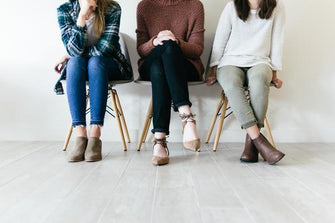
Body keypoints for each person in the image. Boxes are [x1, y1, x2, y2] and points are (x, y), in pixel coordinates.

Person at [206, 0, 286, 165]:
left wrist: (275, 72)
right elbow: (220, 39)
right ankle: (259, 141)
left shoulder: (277, 7)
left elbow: (277, 41)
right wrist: (213, 69)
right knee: (232, 86)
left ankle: (251, 144)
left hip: (260, 61)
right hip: (230, 62)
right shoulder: (231, 7)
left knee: (259, 82)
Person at [55, 0, 132, 162]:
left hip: (109, 64)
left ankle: (95, 135)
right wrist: (82, 16)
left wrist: (71, 55)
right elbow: (73, 50)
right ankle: (81, 135)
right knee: (75, 63)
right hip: (81, 66)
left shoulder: (112, 8)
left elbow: (106, 48)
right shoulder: (65, 10)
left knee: (95, 62)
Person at [136, 0, 205, 165]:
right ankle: (186, 116)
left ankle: (159, 140)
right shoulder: (144, 6)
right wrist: (155, 41)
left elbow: (197, 49)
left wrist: (176, 41)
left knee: (161, 64)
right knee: (161, 55)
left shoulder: (195, 6)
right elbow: (141, 49)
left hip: (186, 66)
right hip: (150, 62)